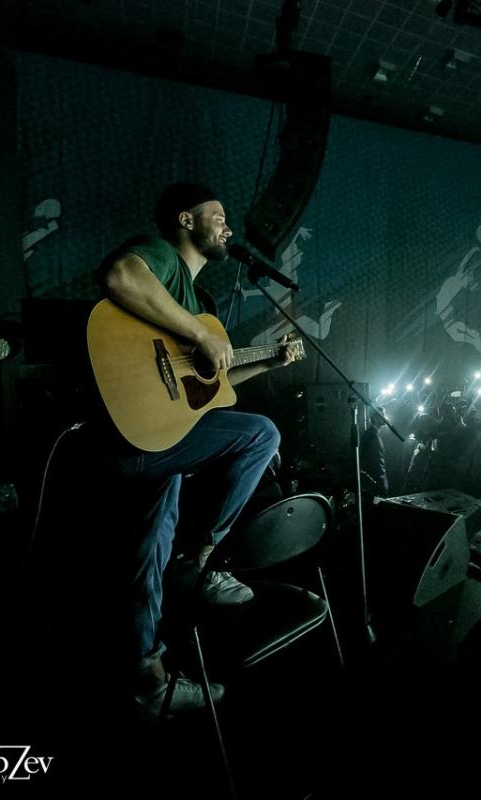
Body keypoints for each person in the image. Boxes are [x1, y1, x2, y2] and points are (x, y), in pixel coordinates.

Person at [94, 183, 295, 716]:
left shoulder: (200, 305)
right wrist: (200, 336)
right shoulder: (162, 258)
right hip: (126, 434)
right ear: (186, 220)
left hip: (159, 438)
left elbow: (212, 390)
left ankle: (147, 680)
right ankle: (202, 556)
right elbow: (121, 276)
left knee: (147, 557)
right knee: (262, 434)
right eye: (218, 216)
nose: (228, 226)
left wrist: (268, 361)